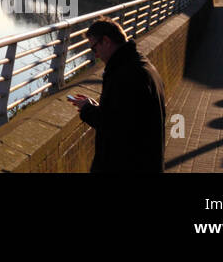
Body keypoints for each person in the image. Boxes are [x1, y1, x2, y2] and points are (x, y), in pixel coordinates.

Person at [68, 17, 166, 172]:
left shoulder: (125, 74)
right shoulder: (141, 65)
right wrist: (98, 108)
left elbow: (114, 127)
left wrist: (87, 110)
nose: (96, 55)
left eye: (94, 48)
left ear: (106, 41)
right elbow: (127, 115)